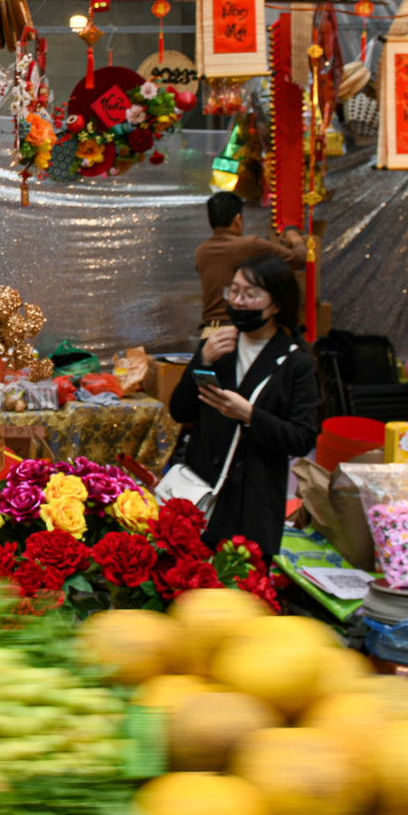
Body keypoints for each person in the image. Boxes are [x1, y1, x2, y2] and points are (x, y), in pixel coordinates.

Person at [167, 253, 319, 557]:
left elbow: (302, 438)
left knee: (244, 594)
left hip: (254, 504)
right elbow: (180, 411)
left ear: (275, 304)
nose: (238, 301)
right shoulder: (216, 347)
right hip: (200, 495)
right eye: (233, 291)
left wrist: (249, 415)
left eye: (250, 294)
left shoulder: (295, 362)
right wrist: (202, 359)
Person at [193, 191, 306, 336]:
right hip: (238, 331)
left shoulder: (201, 252)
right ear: (238, 219)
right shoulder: (250, 245)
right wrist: (295, 237)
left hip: (209, 332)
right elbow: (300, 258)